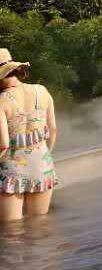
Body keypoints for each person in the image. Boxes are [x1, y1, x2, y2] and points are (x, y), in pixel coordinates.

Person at [0, 49, 58, 223]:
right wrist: (45, 155)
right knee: (39, 224)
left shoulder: (1, 101)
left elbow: (3, 144)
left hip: (12, 168)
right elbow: (53, 129)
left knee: (12, 230)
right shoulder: (42, 90)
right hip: (42, 162)